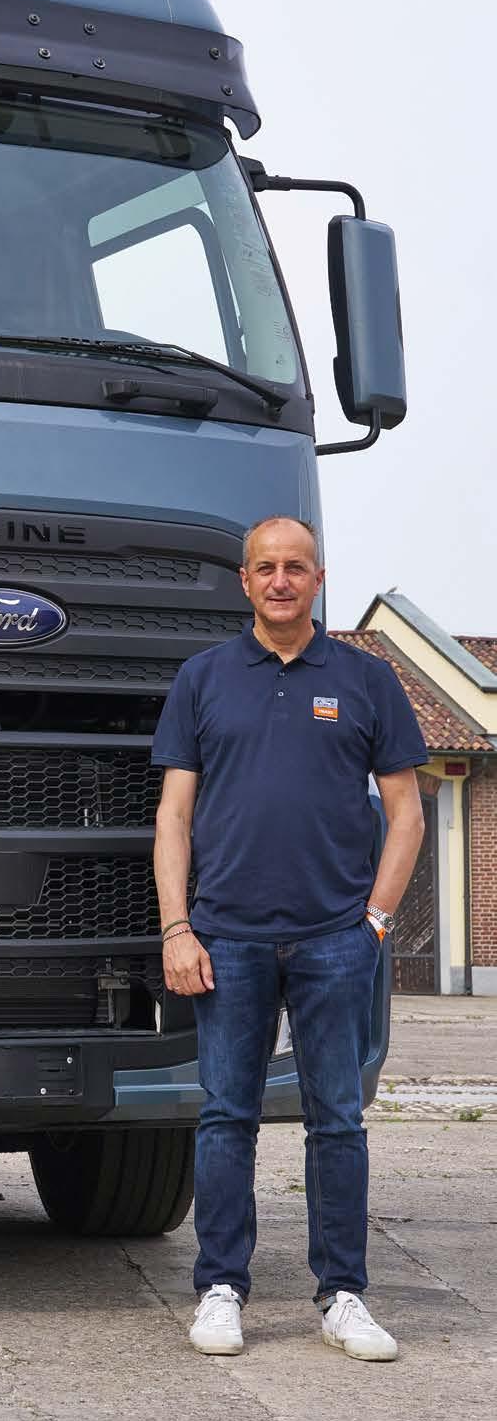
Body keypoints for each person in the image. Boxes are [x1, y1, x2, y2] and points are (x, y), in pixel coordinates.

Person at [152, 515, 426, 1361]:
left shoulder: (365, 680)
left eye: (295, 567)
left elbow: (407, 813)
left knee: (335, 1120)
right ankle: (220, 1289)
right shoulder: (202, 679)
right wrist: (176, 927)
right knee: (224, 1116)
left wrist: (374, 921)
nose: (280, 580)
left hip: (333, 939)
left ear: (318, 579)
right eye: (265, 567)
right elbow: (172, 816)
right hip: (224, 938)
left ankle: (342, 1295)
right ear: (245, 581)